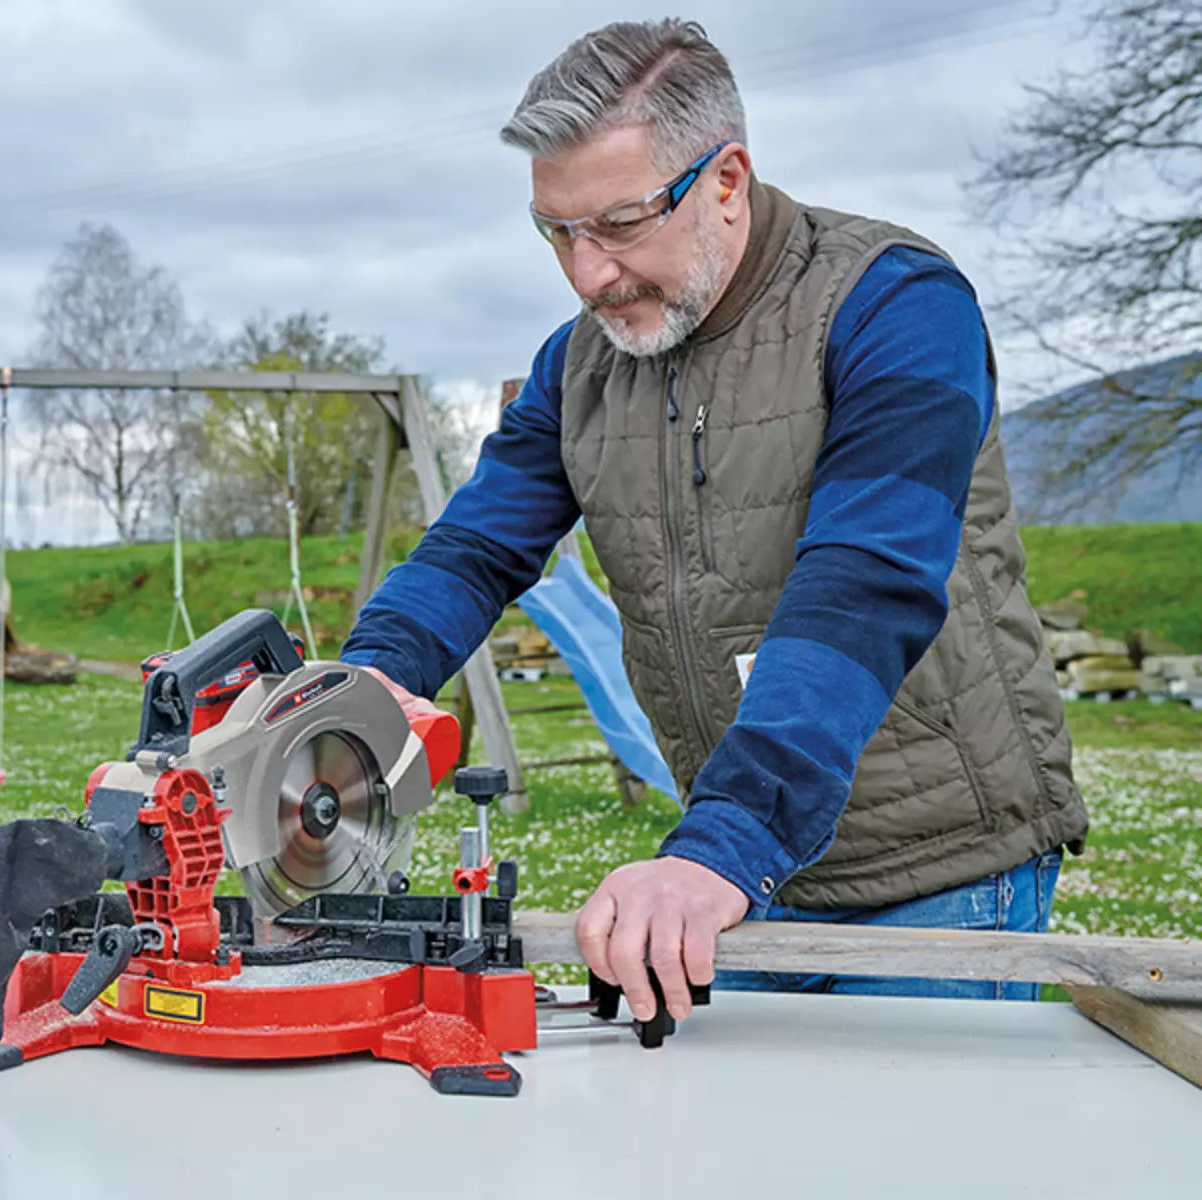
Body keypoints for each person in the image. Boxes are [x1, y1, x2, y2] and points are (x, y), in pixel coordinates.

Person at [339, 18, 1088, 1023]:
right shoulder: (580, 364)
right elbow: (474, 549)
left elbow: (865, 584)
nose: (585, 274)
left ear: (725, 181)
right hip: (736, 877)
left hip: (933, 874)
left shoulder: (894, 303)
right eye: (556, 230)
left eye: (617, 223)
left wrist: (722, 844)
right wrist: (366, 681)